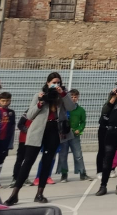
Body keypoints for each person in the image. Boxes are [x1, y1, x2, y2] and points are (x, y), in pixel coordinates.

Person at [6, 73, 75, 205]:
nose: (56, 85)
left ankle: (39, 193)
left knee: (47, 162)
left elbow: (72, 107)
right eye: (54, 82)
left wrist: (63, 94)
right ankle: (14, 194)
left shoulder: (61, 97)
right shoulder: (39, 95)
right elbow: (30, 115)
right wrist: (40, 102)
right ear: (48, 83)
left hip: (54, 131)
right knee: (28, 162)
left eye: (58, 82)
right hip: (38, 131)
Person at [55, 88, 88, 182]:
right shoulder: (63, 109)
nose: (73, 98)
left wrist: (79, 129)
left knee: (78, 154)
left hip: (74, 135)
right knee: (63, 155)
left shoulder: (80, 110)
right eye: (71, 97)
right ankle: (64, 174)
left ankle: (82, 173)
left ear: (78, 98)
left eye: (75, 97)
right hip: (64, 135)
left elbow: (83, 122)